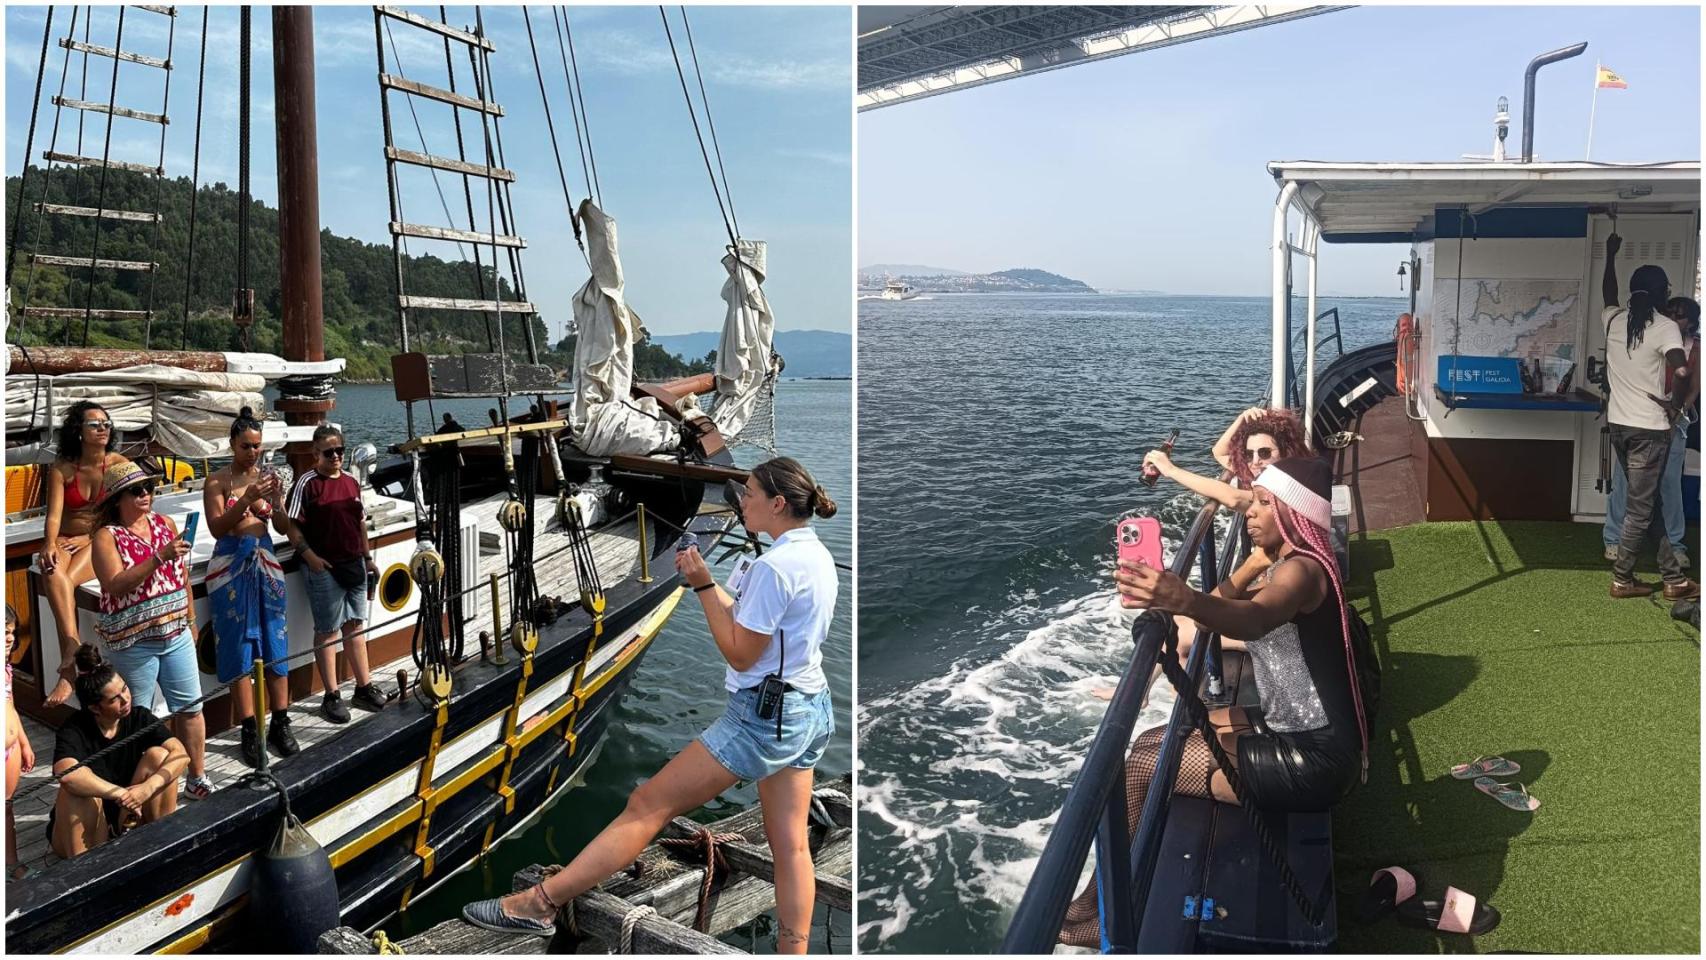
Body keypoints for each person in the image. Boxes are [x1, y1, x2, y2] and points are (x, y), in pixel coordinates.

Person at [463, 457, 839, 953]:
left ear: (776, 503)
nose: (741, 502)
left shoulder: (773, 567)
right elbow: (762, 632)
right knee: (790, 845)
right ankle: (794, 950)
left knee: (647, 805)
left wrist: (703, 588)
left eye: (748, 493)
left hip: (763, 717)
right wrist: (709, 581)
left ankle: (540, 903)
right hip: (810, 709)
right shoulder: (815, 556)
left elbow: (742, 653)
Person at [1061, 457, 1366, 947]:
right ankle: (1085, 904)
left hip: (1315, 759)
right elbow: (1211, 618)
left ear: (1292, 513)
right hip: (1294, 728)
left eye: (1264, 504)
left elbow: (1254, 620)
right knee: (1157, 740)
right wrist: (1249, 563)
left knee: (1141, 764)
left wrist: (1182, 598)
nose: (1250, 512)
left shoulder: (1303, 573)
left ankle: (1099, 914)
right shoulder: (1288, 565)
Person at [89, 461, 213, 800]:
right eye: (136, 490)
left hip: (175, 635)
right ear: (117, 498)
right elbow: (115, 585)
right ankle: (135, 790)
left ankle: (196, 777)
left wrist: (190, 620)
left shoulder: (165, 523)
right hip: (133, 643)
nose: (146, 494)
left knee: (191, 708)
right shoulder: (106, 536)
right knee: (135, 718)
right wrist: (159, 556)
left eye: (149, 488)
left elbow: (181, 577)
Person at [1600, 234, 1698, 600]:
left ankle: (1673, 580)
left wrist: (1611, 256)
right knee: (1640, 510)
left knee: (1649, 500)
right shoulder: (1665, 327)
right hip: (1649, 431)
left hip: (1620, 427)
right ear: (1662, 293)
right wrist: (1674, 404)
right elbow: (1683, 371)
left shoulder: (1613, 320)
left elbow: (1608, 293)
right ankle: (1622, 579)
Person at [204, 408, 296, 767]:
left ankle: (281, 722)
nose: (253, 452)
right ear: (232, 444)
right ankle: (248, 728)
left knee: (276, 639)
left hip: (264, 561)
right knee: (239, 644)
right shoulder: (216, 482)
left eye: (257, 446)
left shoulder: (268, 478)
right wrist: (245, 499)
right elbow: (216, 528)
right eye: (246, 446)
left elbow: (284, 527)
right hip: (231, 564)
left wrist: (275, 503)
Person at [283, 425, 387, 723]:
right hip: (323, 567)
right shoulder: (308, 483)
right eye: (329, 452)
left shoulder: (352, 483)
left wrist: (367, 558)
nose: (336, 457)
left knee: (355, 625)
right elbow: (292, 526)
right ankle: (331, 695)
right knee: (327, 631)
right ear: (316, 454)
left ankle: (363, 686)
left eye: (340, 450)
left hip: (353, 563)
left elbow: (359, 523)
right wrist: (311, 558)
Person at [49, 643, 188, 859]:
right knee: (75, 791)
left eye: (124, 689)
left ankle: (160, 843)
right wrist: (119, 793)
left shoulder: (139, 716)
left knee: (159, 756)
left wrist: (147, 788)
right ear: (95, 708)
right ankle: (86, 870)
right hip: (92, 822)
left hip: (129, 813)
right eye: (115, 699)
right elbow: (66, 774)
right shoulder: (74, 728)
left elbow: (181, 754)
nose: (126, 700)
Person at [39, 401, 130, 707]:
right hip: (66, 539)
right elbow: (53, 516)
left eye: (106, 423)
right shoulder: (63, 469)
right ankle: (71, 647)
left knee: (65, 579)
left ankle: (68, 666)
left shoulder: (118, 463)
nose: (103, 428)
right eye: (95, 424)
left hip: (100, 537)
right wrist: (49, 544)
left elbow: (128, 512)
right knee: (52, 571)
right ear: (78, 431)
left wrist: (89, 535)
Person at [1141, 407, 1308, 512]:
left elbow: (1233, 498)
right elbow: (1219, 453)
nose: (1255, 461)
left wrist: (1171, 470)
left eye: (1265, 453)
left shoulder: (1289, 484)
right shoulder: (1263, 474)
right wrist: (1242, 419)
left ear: (1287, 452)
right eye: (1249, 454)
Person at [6, 605, 37, 881]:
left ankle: (11, 862)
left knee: (7, 808)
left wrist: (25, 743)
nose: (8, 639)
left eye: (11, 633)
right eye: (3, 633)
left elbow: (12, 706)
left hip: (12, 748)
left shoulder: (6, 669)